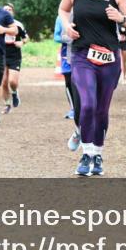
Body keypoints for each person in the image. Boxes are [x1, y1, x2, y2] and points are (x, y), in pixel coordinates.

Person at [58, 0, 126, 176]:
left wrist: (121, 18)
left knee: (102, 110)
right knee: (88, 105)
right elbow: (63, 10)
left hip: (110, 57)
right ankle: (86, 154)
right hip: (83, 55)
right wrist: (66, 25)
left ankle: (98, 155)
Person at [53, 14, 81, 150]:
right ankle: (73, 109)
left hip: (85, 55)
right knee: (70, 82)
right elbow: (57, 36)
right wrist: (71, 38)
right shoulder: (61, 18)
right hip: (67, 54)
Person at [1, 3, 28, 113]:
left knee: (12, 81)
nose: (7, 11)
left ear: (13, 12)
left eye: (10, 9)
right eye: (5, 9)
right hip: (1, 55)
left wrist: (22, 42)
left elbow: (26, 38)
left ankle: (14, 92)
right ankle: (7, 104)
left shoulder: (17, 25)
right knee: (3, 82)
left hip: (14, 56)